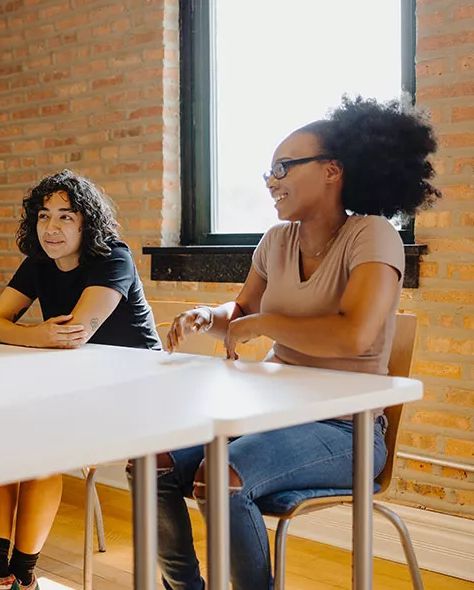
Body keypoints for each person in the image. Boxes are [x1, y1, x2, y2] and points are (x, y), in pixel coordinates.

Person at [151, 95, 441, 590]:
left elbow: (355, 333)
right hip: (268, 416)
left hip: (345, 431)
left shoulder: (372, 236)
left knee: (222, 475)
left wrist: (264, 323)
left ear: (332, 169)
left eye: (284, 167)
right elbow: (240, 314)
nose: (272, 181)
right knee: (151, 459)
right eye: (269, 171)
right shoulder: (275, 241)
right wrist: (209, 316)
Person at [0, 169, 162, 590]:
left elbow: (74, 337)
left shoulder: (113, 258)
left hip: (137, 395)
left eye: (65, 217)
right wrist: (38, 335)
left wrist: (29, 336)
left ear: (87, 222)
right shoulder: (40, 262)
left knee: (38, 445)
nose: (50, 228)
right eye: (43, 216)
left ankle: (21, 573)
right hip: (74, 388)